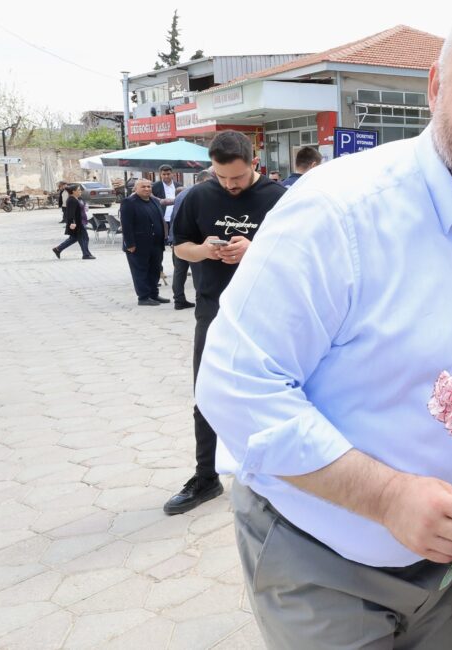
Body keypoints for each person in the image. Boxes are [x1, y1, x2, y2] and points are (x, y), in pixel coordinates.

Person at [192, 1, 452, 646]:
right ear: (436, 88)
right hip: (322, 553)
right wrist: (386, 497)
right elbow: (234, 384)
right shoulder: (337, 213)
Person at [165, 131, 287, 515]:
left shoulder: (280, 198)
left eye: (236, 177)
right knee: (207, 395)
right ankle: (206, 477)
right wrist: (204, 249)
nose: (230, 186)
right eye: (222, 178)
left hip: (267, 313)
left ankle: (280, 479)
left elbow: (297, 252)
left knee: (276, 395)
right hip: (213, 311)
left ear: (254, 163)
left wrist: (255, 249)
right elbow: (180, 244)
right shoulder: (198, 196)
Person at [119, 179, 168, 306]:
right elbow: (126, 225)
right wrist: (130, 244)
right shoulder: (129, 202)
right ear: (135, 189)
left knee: (155, 270)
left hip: (156, 243)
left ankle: (154, 294)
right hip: (138, 245)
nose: (147, 189)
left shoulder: (154, 201)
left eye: (148, 186)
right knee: (140, 271)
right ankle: (143, 297)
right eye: (143, 187)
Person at [169, 170, 211, 310]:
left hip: (178, 239)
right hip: (193, 240)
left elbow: (174, 217)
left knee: (179, 271)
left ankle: (179, 300)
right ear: (205, 180)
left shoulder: (181, 193)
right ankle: (201, 300)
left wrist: (171, 238)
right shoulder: (200, 194)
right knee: (198, 272)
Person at [51, 184, 96, 260]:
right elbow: (71, 213)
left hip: (80, 221)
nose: (80, 191)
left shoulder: (76, 198)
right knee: (84, 238)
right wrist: (73, 222)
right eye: (78, 190)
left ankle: (58, 249)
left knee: (74, 238)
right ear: (73, 191)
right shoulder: (71, 200)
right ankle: (86, 254)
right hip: (77, 223)